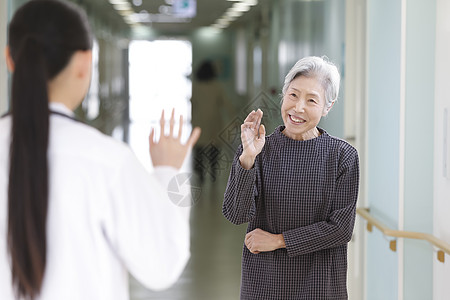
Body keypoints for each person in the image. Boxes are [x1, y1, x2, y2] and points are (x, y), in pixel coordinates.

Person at [0, 1, 200, 300]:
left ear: (9, 59)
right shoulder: (107, 161)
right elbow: (162, 265)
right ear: (84, 63)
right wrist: (167, 172)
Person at [223, 56, 359, 299]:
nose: (298, 108)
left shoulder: (343, 156)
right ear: (284, 95)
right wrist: (248, 159)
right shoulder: (258, 148)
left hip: (320, 286)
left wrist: (278, 241)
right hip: (264, 285)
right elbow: (236, 214)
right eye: (293, 95)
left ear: (328, 106)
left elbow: (340, 229)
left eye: (312, 100)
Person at [191, 60, 233, 185]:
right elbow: (226, 103)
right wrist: (234, 115)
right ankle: (213, 172)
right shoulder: (217, 85)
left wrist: (192, 120)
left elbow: (193, 104)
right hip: (214, 120)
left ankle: (200, 173)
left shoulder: (196, 86)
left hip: (199, 121)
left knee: (199, 147)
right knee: (214, 147)